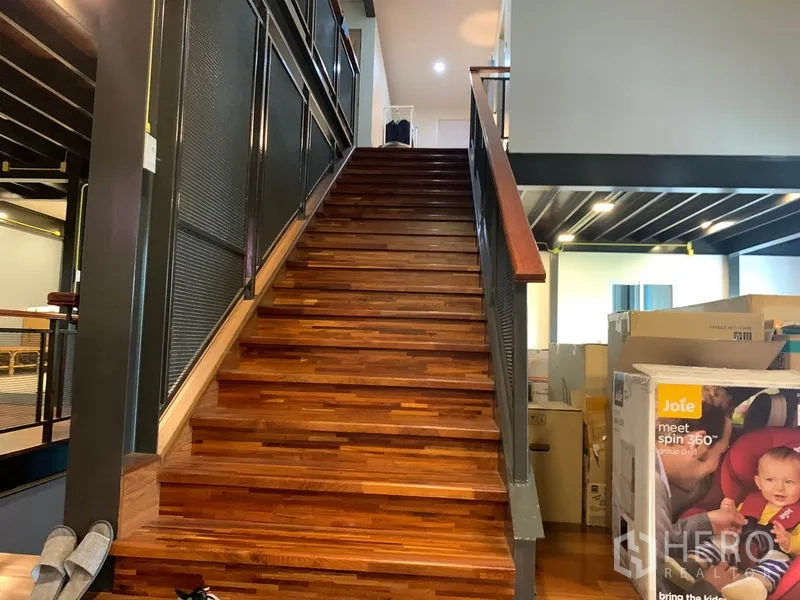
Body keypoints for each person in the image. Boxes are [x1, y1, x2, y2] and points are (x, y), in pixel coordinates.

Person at [670, 447, 800, 600]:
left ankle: (752, 585)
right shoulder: (750, 502)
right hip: (738, 547)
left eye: (789, 482)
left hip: (770, 553)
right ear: (758, 482)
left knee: (780, 561)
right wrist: (729, 513)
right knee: (720, 540)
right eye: (770, 480)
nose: (779, 487)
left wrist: (789, 541)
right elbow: (734, 521)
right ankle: (694, 564)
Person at [655, 402, 746, 590]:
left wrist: (708, 523)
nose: (715, 467)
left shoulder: (648, 469)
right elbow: (655, 588)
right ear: (698, 443)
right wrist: (709, 587)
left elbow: (653, 542)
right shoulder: (654, 490)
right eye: (720, 453)